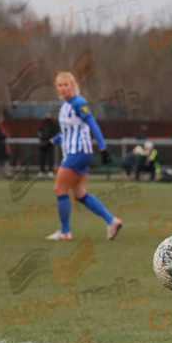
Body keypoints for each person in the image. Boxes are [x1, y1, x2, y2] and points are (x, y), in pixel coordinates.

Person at [45, 72, 123, 241]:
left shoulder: (78, 103)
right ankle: (112, 221)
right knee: (80, 194)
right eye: (60, 85)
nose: (63, 88)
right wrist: (51, 141)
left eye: (66, 84)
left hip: (78, 152)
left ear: (73, 85)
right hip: (77, 152)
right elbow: (67, 131)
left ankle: (65, 232)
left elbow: (92, 124)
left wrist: (103, 149)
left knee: (60, 189)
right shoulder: (65, 105)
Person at [37, 113, 58, 178]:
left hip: (50, 143)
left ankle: (50, 171)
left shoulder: (54, 124)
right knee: (42, 157)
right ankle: (42, 171)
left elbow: (56, 132)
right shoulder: (43, 123)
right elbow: (39, 131)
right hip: (43, 142)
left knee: (50, 157)